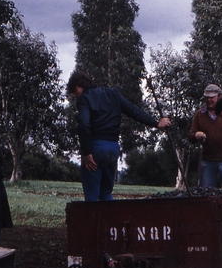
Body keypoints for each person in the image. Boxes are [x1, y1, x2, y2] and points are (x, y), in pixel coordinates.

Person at [67, 70, 171, 202]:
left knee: (92, 198)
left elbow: (84, 125)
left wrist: (86, 153)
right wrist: (156, 123)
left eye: (75, 92)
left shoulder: (84, 99)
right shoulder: (113, 94)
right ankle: (111, 222)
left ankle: (93, 222)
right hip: (113, 149)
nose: (75, 95)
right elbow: (134, 110)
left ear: (80, 85)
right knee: (106, 193)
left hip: (96, 149)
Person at [187, 84, 222, 195]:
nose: (209, 100)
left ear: (220, 96)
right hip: (207, 160)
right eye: (206, 97)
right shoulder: (199, 115)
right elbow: (190, 135)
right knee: (206, 194)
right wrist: (196, 135)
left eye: (212, 97)